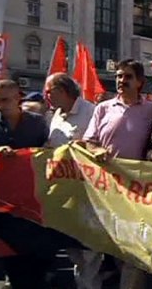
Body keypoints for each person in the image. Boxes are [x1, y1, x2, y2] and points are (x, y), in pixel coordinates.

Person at [81, 59, 152, 289]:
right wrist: (97, 151)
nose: (121, 81)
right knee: (103, 244)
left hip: (138, 191)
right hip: (105, 188)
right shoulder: (103, 108)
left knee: (131, 249)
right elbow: (89, 142)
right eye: (119, 76)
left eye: (127, 77)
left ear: (140, 82)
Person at [0, 80, 56, 289]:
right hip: (0, 200)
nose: (0, 105)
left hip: (31, 199)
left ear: (19, 97)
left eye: (5, 99)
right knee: (11, 254)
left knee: (35, 257)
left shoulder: (37, 122)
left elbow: (49, 152)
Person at [43, 73, 100, 289]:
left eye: (50, 90)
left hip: (88, 191)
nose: (46, 95)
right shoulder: (55, 115)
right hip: (64, 192)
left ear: (64, 90)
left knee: (89, 251)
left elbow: (97, 144)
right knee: (71, 247)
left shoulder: (90, 111)